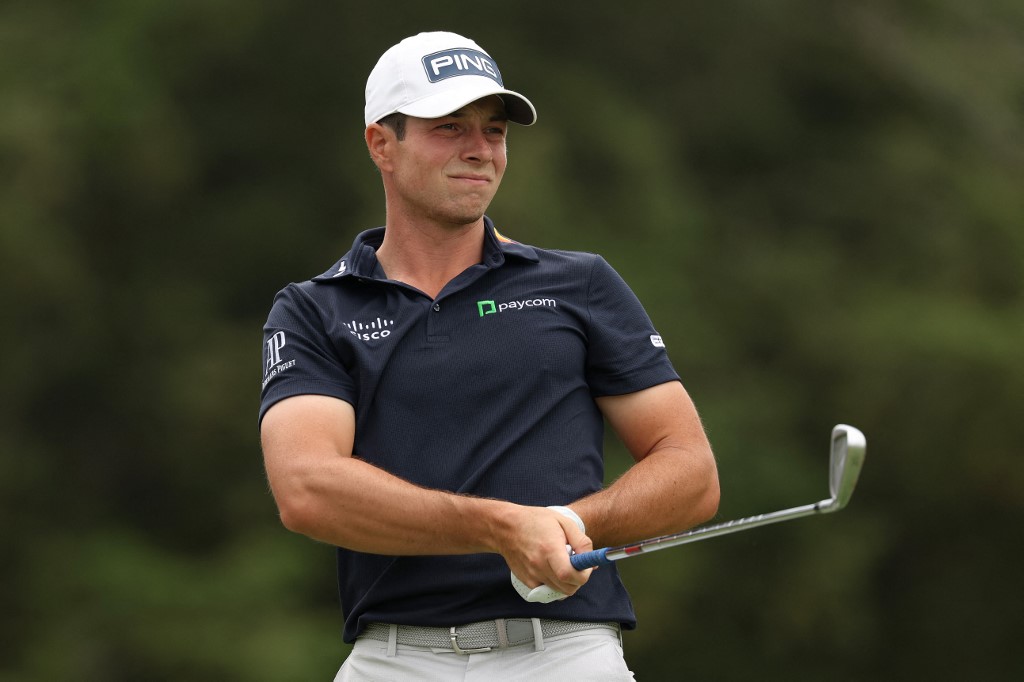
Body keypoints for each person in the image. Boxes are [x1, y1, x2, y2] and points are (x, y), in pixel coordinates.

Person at [259, 31, 719, 680]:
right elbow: (306, 488)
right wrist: (500, 528)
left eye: (494, 130)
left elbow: (691, 469)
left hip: (565, 654)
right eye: (449, 127)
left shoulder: (579, 284)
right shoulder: (316, 309)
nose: (480, 150)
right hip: (393, 660)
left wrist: (564, 523)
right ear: (381, 145)